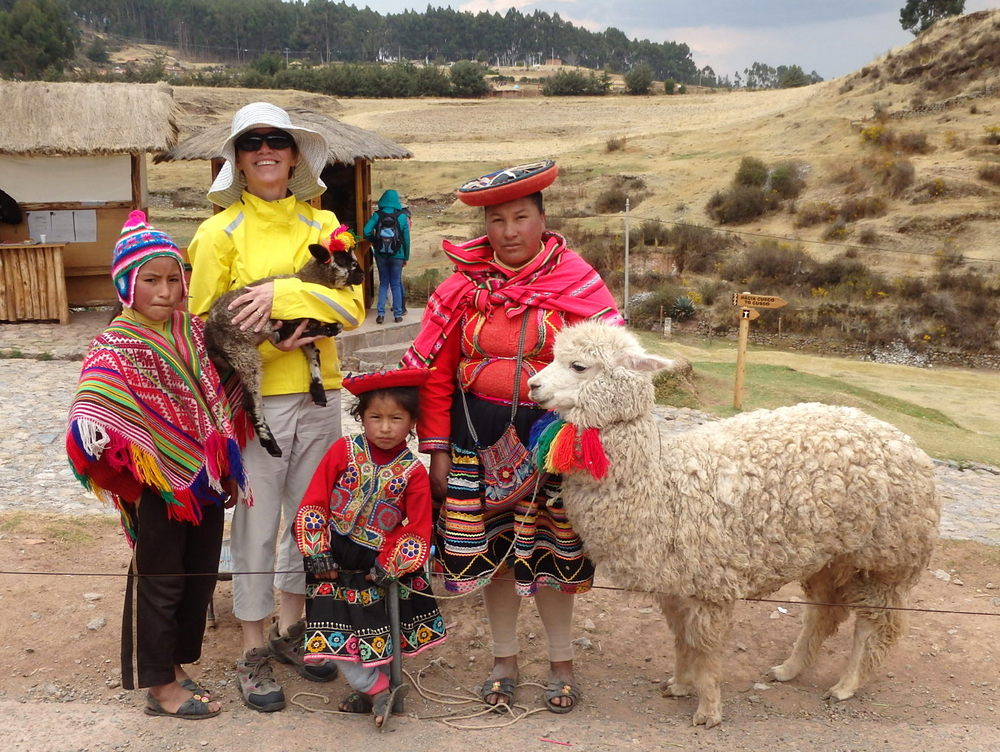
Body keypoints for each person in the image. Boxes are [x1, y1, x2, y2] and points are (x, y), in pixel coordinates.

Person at [401, 160, 623, 714]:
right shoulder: (461, 289)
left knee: (554, 556)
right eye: (496, 220)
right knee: (495, 557)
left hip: (553, 443)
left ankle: (561, 662)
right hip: (475, 438)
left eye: (521, 217)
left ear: (542, 218)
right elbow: (434, 374)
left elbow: (609, 370)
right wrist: (437, 448)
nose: (509, 231)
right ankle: (504, 660)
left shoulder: (576, 281)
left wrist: (587, 441)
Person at [186, 102, 366, 712]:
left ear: (294, 155)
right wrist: (271, 328)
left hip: (320, 394)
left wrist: (278, 292)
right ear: (237, 158)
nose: (266, 151)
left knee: (309, 518)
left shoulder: (324, 224)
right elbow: (202, 324)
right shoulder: (217, 233)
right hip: (253, 402)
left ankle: (298, 632)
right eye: (252, 142)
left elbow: (353, 309)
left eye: (277, 141)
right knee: (259, 523)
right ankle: (253, 647)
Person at [66, 210, 248, 720]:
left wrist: (225, 468)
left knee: (198, 576)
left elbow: (214, 401)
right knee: (161, 580)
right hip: (155, 489)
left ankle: (174, 664)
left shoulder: (190, 333)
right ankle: (159, 685)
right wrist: (139, 484)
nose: (166, 290)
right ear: (127, 284)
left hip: (203, 483)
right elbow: (91, 417)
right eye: (151, 280)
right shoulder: (115, 346)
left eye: (174, 278)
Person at [293, 367, 446, 728]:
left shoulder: (412, 473)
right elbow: (315, 498)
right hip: (331, 557)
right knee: (333, 627)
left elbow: (418, 526)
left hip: (376, 564)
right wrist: (317, 551)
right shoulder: (342, 451)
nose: (385, 427)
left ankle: (371, 688)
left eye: (396, 418)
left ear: (412, 422)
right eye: (375, 417)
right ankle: (377, 689)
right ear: (360, 417)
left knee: (373, 628)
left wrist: (391, 562)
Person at [363, 189, 411, 324]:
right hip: (398, 255)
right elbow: (406, 239)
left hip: (381, 254)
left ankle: (381, 314)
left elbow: (366, 231)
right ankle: (397, 314)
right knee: (395, 283)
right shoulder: (402, 216)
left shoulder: (377, 215)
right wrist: (406, 257)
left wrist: (374, 241)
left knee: (384, 283)